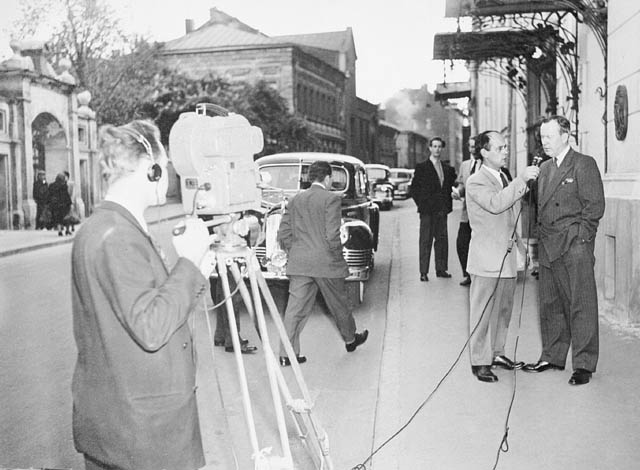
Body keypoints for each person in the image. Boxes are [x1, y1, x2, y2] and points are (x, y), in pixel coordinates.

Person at [71, 120, 213, 470]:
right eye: (163, 168)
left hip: (122, 421)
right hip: (142, 433)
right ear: (149, 170)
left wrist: (194, 272)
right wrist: (189, 264)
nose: (166, 176)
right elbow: (150, 327)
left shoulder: (103, 227)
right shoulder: (116, 236)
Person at [523, 115, 605, 386]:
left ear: (565, 135)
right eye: (542, 137)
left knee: (580, 304)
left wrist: (582, 239)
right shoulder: (544, 169)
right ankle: (553, 355)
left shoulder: (583, 164)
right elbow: (538, 208)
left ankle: (583, 364)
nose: (544, 142)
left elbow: (594, 206)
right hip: (547, 245)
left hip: (573, 245)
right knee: (550, 304)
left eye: (549, 136)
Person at [277, 160, 368, 366]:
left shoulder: (295, 200)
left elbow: (283, 233)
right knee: (339, 305)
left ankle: (287, 355)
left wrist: (298, 251)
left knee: (294, 311)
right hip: (326, 263)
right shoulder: (331, 200)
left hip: (300, 263)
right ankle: (351, 340)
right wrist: (336, 259)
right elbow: (332, 235)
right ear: (327, 178)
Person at [465, 131, 540, 382]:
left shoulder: (503, 176)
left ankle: (497, 353)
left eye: (506, 147)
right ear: (484, 152)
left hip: (507, 258)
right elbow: (496, 204)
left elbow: (511, 218)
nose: (505, 151)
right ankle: (480, 361)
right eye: (499, 148)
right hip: (486, 259)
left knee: (503, 310)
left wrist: (522, 251)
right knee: (482, 312)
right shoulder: (476, 181)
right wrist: (520, 181)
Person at [410, 137, 457, 281]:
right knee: (425, 241)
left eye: (439, 146)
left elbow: (450, 187)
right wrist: (422, 204)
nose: (437, 149)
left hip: (442, 210)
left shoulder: (447, 169)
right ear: (430, 148)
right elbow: (414, 189)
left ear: (442, 148)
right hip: (427, 211)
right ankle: (423, 272)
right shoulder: (422, 167)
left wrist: (448, 203)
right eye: (434, 146)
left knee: (442, 240)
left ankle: (441, 269)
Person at [452, 136, 480, 286]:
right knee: (461, 244)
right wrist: (457, 192)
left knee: (480, 246)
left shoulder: (487, 165)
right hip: (466, 213)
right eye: (470, 146)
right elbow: (462, 185)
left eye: (475, 146)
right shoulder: (465, 165)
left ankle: (479, 276)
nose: (473, 149)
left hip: (482, 214)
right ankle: (467, 274)